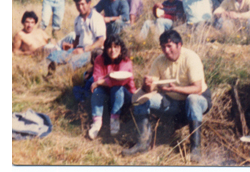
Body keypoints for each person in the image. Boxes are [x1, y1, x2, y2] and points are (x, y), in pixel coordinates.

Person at [122, 30, 212, 159]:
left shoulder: (190, 58)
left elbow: (197, 89)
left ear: (179, 45)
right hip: (172, 101)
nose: (166, 51)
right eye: (163, 47)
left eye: (169, 46)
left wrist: (175, 89)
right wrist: (146, 85)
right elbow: (150, 88)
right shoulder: (159, 61)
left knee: (193, 100)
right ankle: (143, 144)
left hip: (197, 99)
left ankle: (195, 149)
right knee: (142, 100)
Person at [88, 35, 136, 140]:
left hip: (123, 93)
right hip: (106, 92)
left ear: (120, 48)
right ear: (105, 49)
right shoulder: (99, 59)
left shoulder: (125, 61)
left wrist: (102, 81)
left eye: (116, 47)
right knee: (97, 90)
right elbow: (96, 77)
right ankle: (97, 123)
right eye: (109, 47)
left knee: (117, 88)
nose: (112, 50)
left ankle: (114, 119)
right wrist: (105, 79)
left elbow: (121, 79)